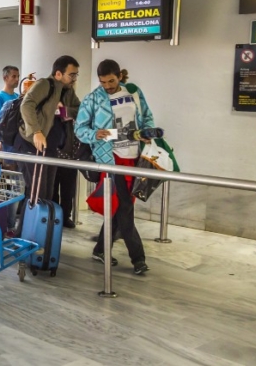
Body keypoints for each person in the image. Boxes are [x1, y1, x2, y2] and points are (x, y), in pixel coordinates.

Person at [75, 59, 154, 275]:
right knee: (125, 207)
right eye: (103, 82)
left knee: (119, 207)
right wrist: (94, 134)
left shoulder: (134, 93)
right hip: (111, 158)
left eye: (111, 81)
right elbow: (79, 129)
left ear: (119, 76)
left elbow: (147, 116)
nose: (107, 86)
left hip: (134, 157)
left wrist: (147, 132)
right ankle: (138, 259)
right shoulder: (93, 99)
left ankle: (100, 249)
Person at [16, 56, 81, 207]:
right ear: (58, 74)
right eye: (72, 75)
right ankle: (29, 223)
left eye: (76, 75)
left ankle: (45, 223)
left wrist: (65, 110)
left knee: (47, 194)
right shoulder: (44, 84)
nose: (74, 79)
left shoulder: (68, 91)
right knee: (36, 194)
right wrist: (36, 131)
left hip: (50, 147)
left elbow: (80, 110)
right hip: (31, 144)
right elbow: (26, 105)